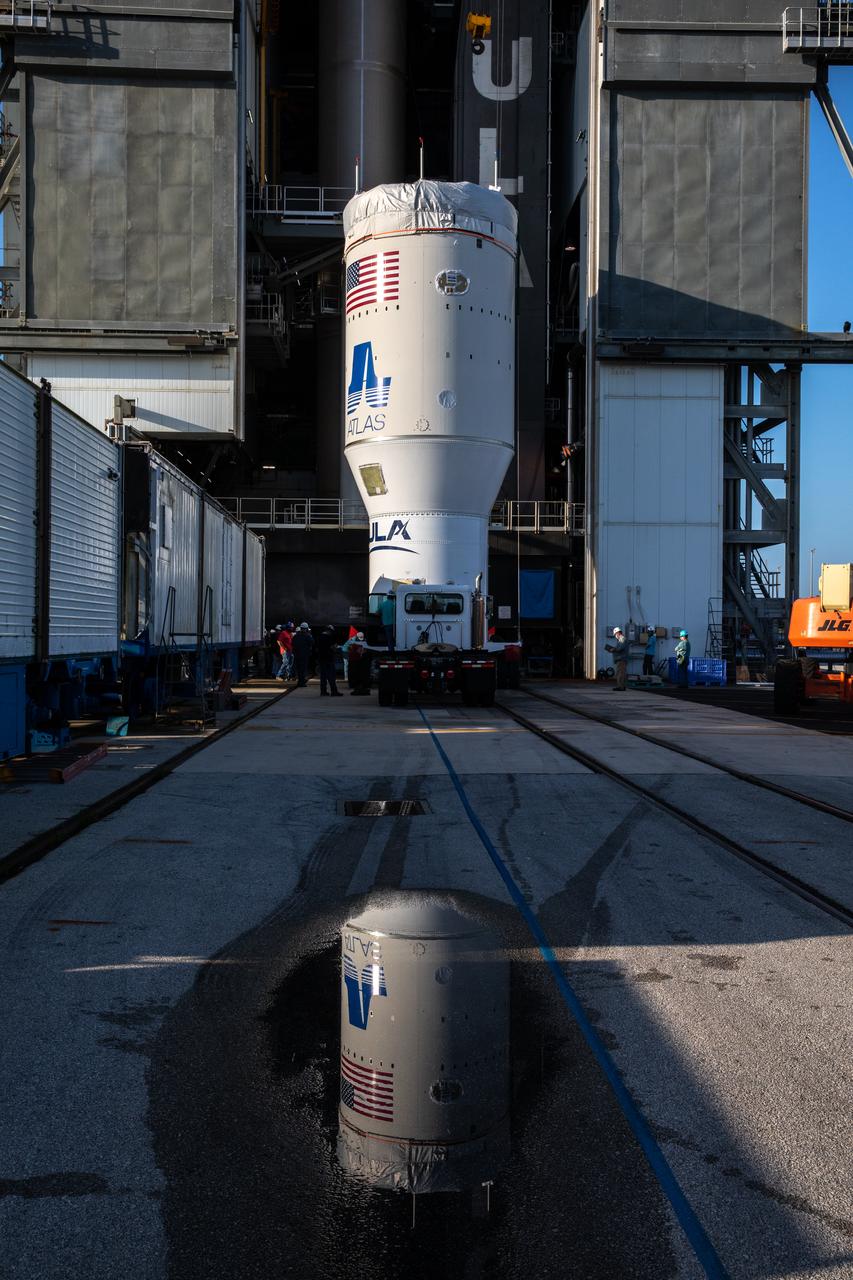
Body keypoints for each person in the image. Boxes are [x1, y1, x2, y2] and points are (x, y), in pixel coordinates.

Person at [317, 625, 343, 696]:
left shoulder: (319, 637)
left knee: (323, 677)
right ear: (330, 631)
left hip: (321, 659)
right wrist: (336, 647)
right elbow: (333, 648)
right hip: (328, 659)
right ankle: (334, 691)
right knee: (331, 676)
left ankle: (323, 691)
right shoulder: (329, 638)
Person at [605, 626, 629, 691]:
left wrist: (613, 649)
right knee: (621, 673)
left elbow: (620, 648)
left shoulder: (622, 639)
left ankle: (620, 687)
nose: (615, 636)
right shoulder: (621, 639)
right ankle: (622, 686)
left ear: (618, 633)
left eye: (615, 634)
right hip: (621, 659)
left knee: (620, 673)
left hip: (621, 660)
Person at [291, 622, 314, 687]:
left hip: (297, 655)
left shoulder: (296, 636)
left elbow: (292, 644)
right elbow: (312, 642)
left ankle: (299, 681)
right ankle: (302, 682)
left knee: (298, 669)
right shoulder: (307, 636)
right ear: (306, 629)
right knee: (303, 669)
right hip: (304, 655)